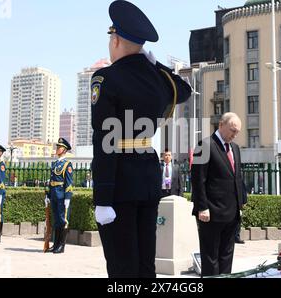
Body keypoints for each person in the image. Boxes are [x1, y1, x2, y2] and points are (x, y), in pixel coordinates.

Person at [91, 0, 192, 278]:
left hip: (119, 183)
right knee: (146, 264)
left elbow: (104, 140)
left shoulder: (106, 78)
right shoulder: (156, 78)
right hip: (147, 177)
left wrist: (102, 198)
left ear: (116, 39)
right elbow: (184, 90)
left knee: (122, 266)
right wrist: (155, 62)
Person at [191, 112, 245, 277]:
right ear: (221, 125)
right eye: (232, 130)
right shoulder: (205, 145)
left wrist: (240, 205)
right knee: (210, 257)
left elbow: (237, 178)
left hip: (231, 213)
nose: (234, 135)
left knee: (227, 256)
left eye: (237, 132)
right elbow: (198, 179)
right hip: (211, 213)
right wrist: (202, 208)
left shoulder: (235, 148)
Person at [44, 138, 73, 254]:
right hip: (55, 195)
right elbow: (52, 181)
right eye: (57, 147)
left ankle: (61, 245)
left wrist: (67, 197)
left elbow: (69, 183)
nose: (57, 149)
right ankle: (55, 244)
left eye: (59, 147)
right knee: (56, 220)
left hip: (62, 196)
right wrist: (49, 195)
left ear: (64, 149)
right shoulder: (55, 163)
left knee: (63, 220)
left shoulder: (67, 164)